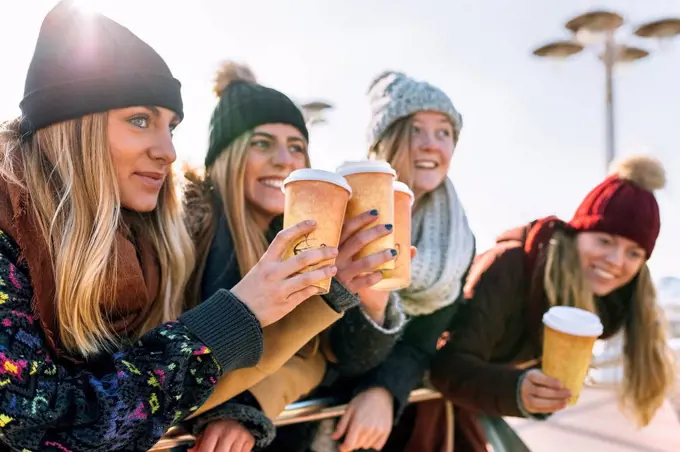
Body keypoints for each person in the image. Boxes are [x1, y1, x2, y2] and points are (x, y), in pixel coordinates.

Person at [0, 3, 338, 451]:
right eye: (140, 120)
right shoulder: (9, 236)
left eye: (172, 128)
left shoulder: (151, 242)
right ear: (73, 127)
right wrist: (238, 312)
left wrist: (344, 289)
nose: (168, 151)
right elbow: (44, 432)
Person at [181, 63, 407, 452]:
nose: (285, 160)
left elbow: (321, 356)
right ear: (226, 155)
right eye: (262, 143)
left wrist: (372, 298)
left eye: (297, 147)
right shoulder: (182, 233)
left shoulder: (307, 241)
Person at [430, 155, 676, 451]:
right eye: (605, 241)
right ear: (578, 234)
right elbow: (445, 364)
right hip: (419, 408)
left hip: (473, 406)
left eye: (634, 253)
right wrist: (517, 389)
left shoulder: (613, 302)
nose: (615, 262)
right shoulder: (510, 266)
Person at [313, 70, 476, 452]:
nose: (431, 146)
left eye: (444, 133)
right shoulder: (340, 206)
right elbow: (324, 340)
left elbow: (421, 343)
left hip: (386, 429)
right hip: (315, 412)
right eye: (416, 130)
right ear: (386, 141)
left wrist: (385, 390)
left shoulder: (458, 242)